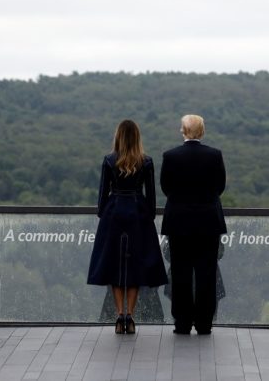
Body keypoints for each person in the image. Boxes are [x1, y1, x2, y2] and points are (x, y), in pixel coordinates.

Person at [87, 119, 168, 334]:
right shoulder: (147, 161)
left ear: (118, 136)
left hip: (114, 214)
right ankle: (130, 316)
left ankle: (119, 315)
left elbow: (102, 195)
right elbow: (151, 197)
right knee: (135, 267)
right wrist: (147, 217)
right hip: (138, 213)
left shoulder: (109, 160)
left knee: (115, 265)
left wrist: (104, 215)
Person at [160, 114, 227, 335]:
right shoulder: (214, 155)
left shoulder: (170, 156)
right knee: (206, 273)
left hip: (179, 222)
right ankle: (204, 323)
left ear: (183, 131)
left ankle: (182, 322)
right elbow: (219, 187)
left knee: (180, 273)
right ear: (202, 131)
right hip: (208, 221)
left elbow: (166, 187)